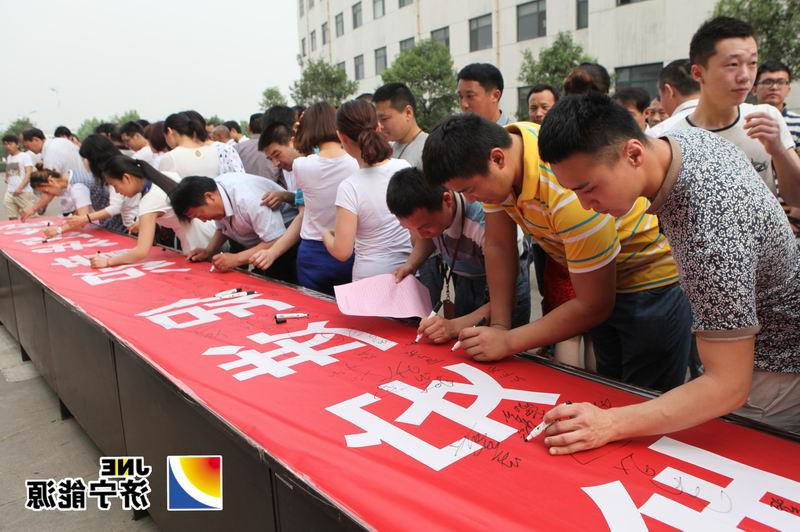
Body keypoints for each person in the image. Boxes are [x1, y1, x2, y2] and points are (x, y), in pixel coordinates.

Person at [536, 92, 800, 452]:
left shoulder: (709, 235)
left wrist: (610, 423)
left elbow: (727, 386)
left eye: (589, 189)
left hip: (774, 366)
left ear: (633, 154)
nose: (586, 206)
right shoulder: (683, 141)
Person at [423, 113, 693, 393]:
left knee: (644, 396)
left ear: (497, 159)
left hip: (648, 283)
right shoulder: (506, 150)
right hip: (600, 275)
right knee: (610, 389)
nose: (470, 200)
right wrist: (500, 325)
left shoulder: (568, 194)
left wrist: (508, 341)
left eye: (469, 190)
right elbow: (499, 244)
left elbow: (594, 305)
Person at [651, 17, 800, 206]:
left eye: (752, 63)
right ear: (698, 73)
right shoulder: (667, 138)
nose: (745, 76)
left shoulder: (766, 119)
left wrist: (779, 151)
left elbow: (796, 198)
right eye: (733, 65)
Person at [387, 167, 531, 340]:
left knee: (499, 341)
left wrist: (453, 327)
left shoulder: (485, 224)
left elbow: (506, 301)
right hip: (467, 275)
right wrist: (410, 265)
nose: (420, 235)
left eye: (425, 227)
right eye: (411, 228)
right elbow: (428, 238)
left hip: (504, 278)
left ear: (447, 200)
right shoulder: (432, 217)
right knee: (464, 339)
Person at [252, 102, 358, 295]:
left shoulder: (301, 166)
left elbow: (303, 214)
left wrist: (273, 252)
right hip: (350, 248)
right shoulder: (357, 163)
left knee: (313, 307)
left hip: (313, 253)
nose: (275, 163)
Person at [322, 99, 412, 281]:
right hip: (408, 270)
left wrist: (325, 234)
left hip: (370, 278)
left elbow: (342, 251)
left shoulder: (350, 187)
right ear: (378, 127)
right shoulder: (403, 167)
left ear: (341, 137)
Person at [89, 156, 215, 268]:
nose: (117, 192)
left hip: (197, 246)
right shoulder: (164, 177)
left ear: (127, 178)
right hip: (211, 234)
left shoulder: (149, 201)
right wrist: (143, 221)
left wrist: (108, 261)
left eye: (115, 186)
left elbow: (141, 251)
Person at [168, 173, 292, 282]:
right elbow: (223, 227)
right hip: (260, 240)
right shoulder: (217, 195)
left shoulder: (249, 199)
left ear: (209, 197)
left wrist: (237, 259)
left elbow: (275, 238)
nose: (204, 220)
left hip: (287, 241)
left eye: (200, 214)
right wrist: (208, 251)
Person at [20, 127, 87, 220]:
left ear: (35, 139)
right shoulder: (60, 141)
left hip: (73, 202)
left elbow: (49, 188)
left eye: (27, 146)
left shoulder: (51, 154)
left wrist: (33, 209)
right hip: (82, 197)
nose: (28, 150)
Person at [373, 83, 429, 170]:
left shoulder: (429, 150)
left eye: (384, 119)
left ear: (408, 113)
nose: (379, 125)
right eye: (377, 120)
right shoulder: (386, 150)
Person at [752, 60, 800, 150]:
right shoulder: (744, 120)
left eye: (780, 82)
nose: (774, 87)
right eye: (768, 82)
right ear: (754, 89)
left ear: (788, 90)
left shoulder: (798, 123)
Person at [647, 59, 701, 137]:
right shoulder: (718, 123)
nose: (655, 118)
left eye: (661, 96)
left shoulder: (657, 134)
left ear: (668, 91)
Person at [159, 112, 221, 177]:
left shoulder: (170, 157)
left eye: (165, 136)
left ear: (169, 131)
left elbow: (163, 182)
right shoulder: (212, 151)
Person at [235, 112, 280, 181]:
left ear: (249, 128)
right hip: (273, 186)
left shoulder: (237, 148)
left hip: (244, 186)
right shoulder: (278, 147)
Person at [2, 134, 37, 220]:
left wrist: (20, 188)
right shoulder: (9, 157)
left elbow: (28, 173)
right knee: (12, 217)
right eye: (5, 144)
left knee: (32, 217)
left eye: (10, 144)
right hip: (10, 192)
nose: (8, 146)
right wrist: (6, 176)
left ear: (17, 145)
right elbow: (8, 168)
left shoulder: (25, 156)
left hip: (23, 192)